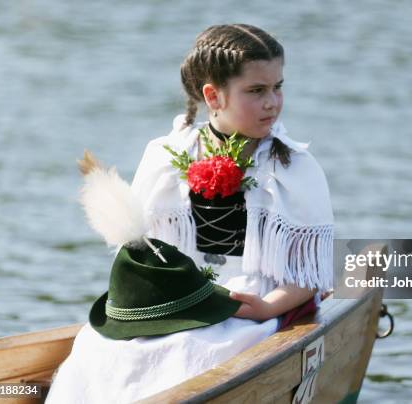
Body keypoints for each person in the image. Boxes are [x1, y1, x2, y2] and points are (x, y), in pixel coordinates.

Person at [46, 23, 333, 403]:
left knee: (191, 350)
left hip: (256, 300)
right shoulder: (167, 155)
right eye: (256, 91)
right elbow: (144, 251)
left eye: (278, 87)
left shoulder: (293, 165)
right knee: (100, 348)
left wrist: (267, 306)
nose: (272, 102)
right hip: (182, 295)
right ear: (213, 96)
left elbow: (309, 273)